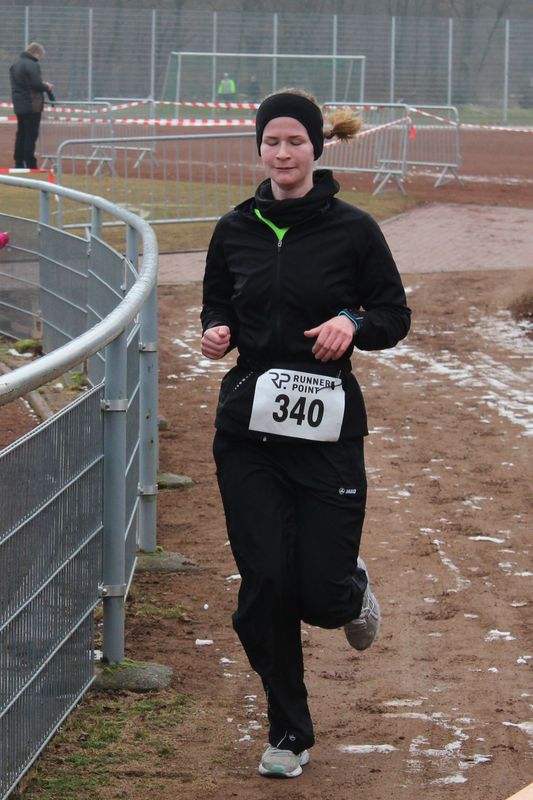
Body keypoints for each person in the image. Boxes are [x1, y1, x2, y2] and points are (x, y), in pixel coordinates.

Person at [201, 88, 411, 779]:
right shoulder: (235, 228)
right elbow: (216, 301)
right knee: (265, 583)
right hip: (248, 431)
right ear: (259, 148)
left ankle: (348, 589)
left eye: (295, 141)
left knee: (318, 595)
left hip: (326, 431)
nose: (282, 153)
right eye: (272, 141)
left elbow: (393, 314)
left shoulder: (353, 229)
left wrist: (353, 321)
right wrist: (216, 330)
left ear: (316, 148)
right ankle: (288, 732)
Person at [9, 42, 54, 169]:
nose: (40, 58)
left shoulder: (15, 65)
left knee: (21, 134)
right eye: (40, 55)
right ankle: (30, 163)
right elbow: (36, 84)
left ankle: (18, 162)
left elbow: (23, 84)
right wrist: (47, 87)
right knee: (31, 135)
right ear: (36, 53)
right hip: (32, 105)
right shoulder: (33, 65)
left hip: (19, 105)